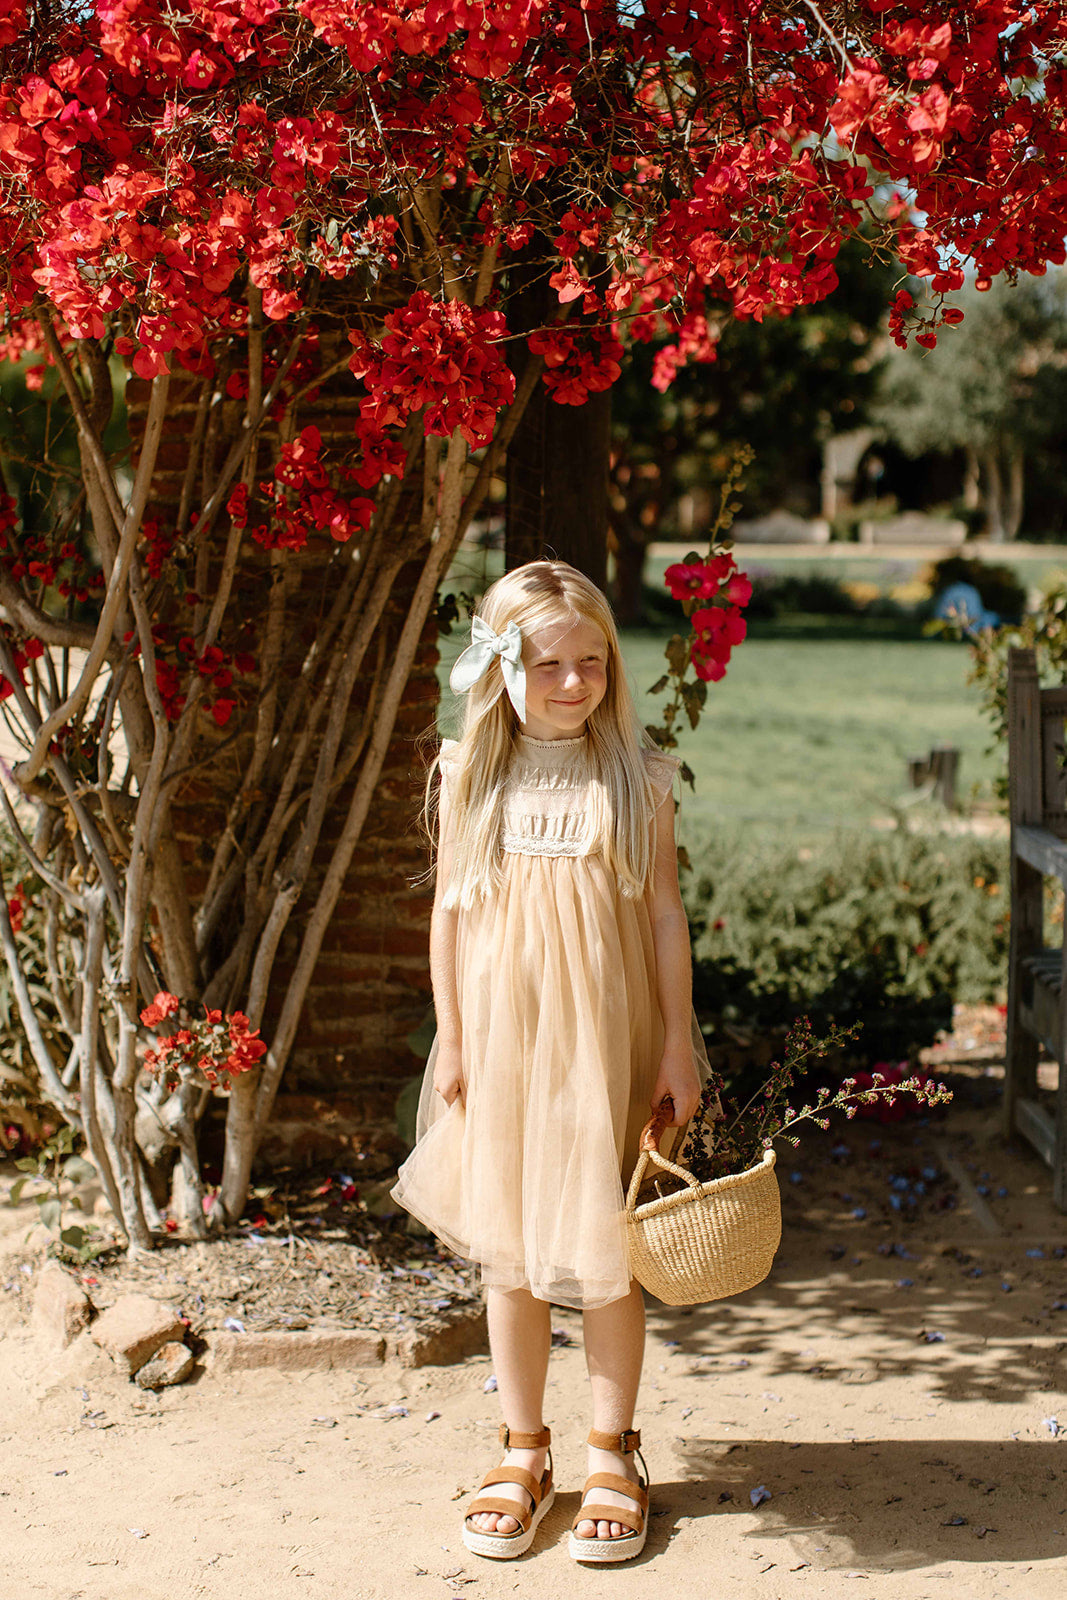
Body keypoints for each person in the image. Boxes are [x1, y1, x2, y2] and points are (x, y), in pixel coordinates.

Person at [391, 559, 711, 1564]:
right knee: (512, 1247)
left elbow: (662, 916)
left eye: (591, 663)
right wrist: (449, 1031)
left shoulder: (636, 777)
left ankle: (611, 1448)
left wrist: (677, 1037)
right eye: (546, 665)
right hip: (504, 1045)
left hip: (607, 1047)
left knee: (607, 1247)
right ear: (499, 671)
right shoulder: (468, 776)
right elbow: (448, 915)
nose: (573, 683)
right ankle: (521, 1445)